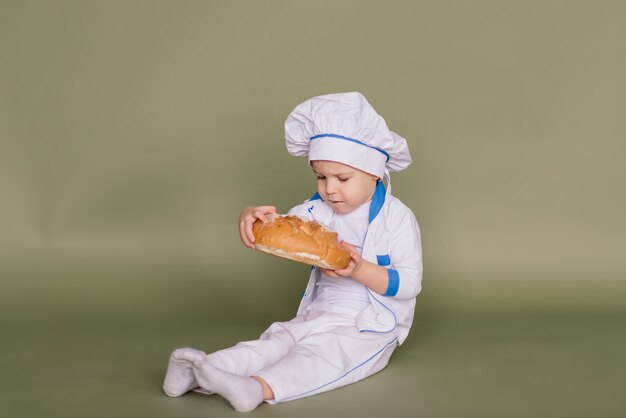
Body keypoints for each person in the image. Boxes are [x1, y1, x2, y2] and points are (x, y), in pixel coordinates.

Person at [162, 92, 423, 412]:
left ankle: (256, 388)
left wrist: (359, 269)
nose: (330, 189)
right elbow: (283, 230)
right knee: (279, 340)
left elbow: (409, 284)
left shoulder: (396, 219)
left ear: (374, 173)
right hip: (319, 312)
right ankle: (197, 372)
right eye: (321, 176)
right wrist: (250, 215)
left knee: (324, 357)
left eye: (343, 178)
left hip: (370, 325)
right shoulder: (317, 210)